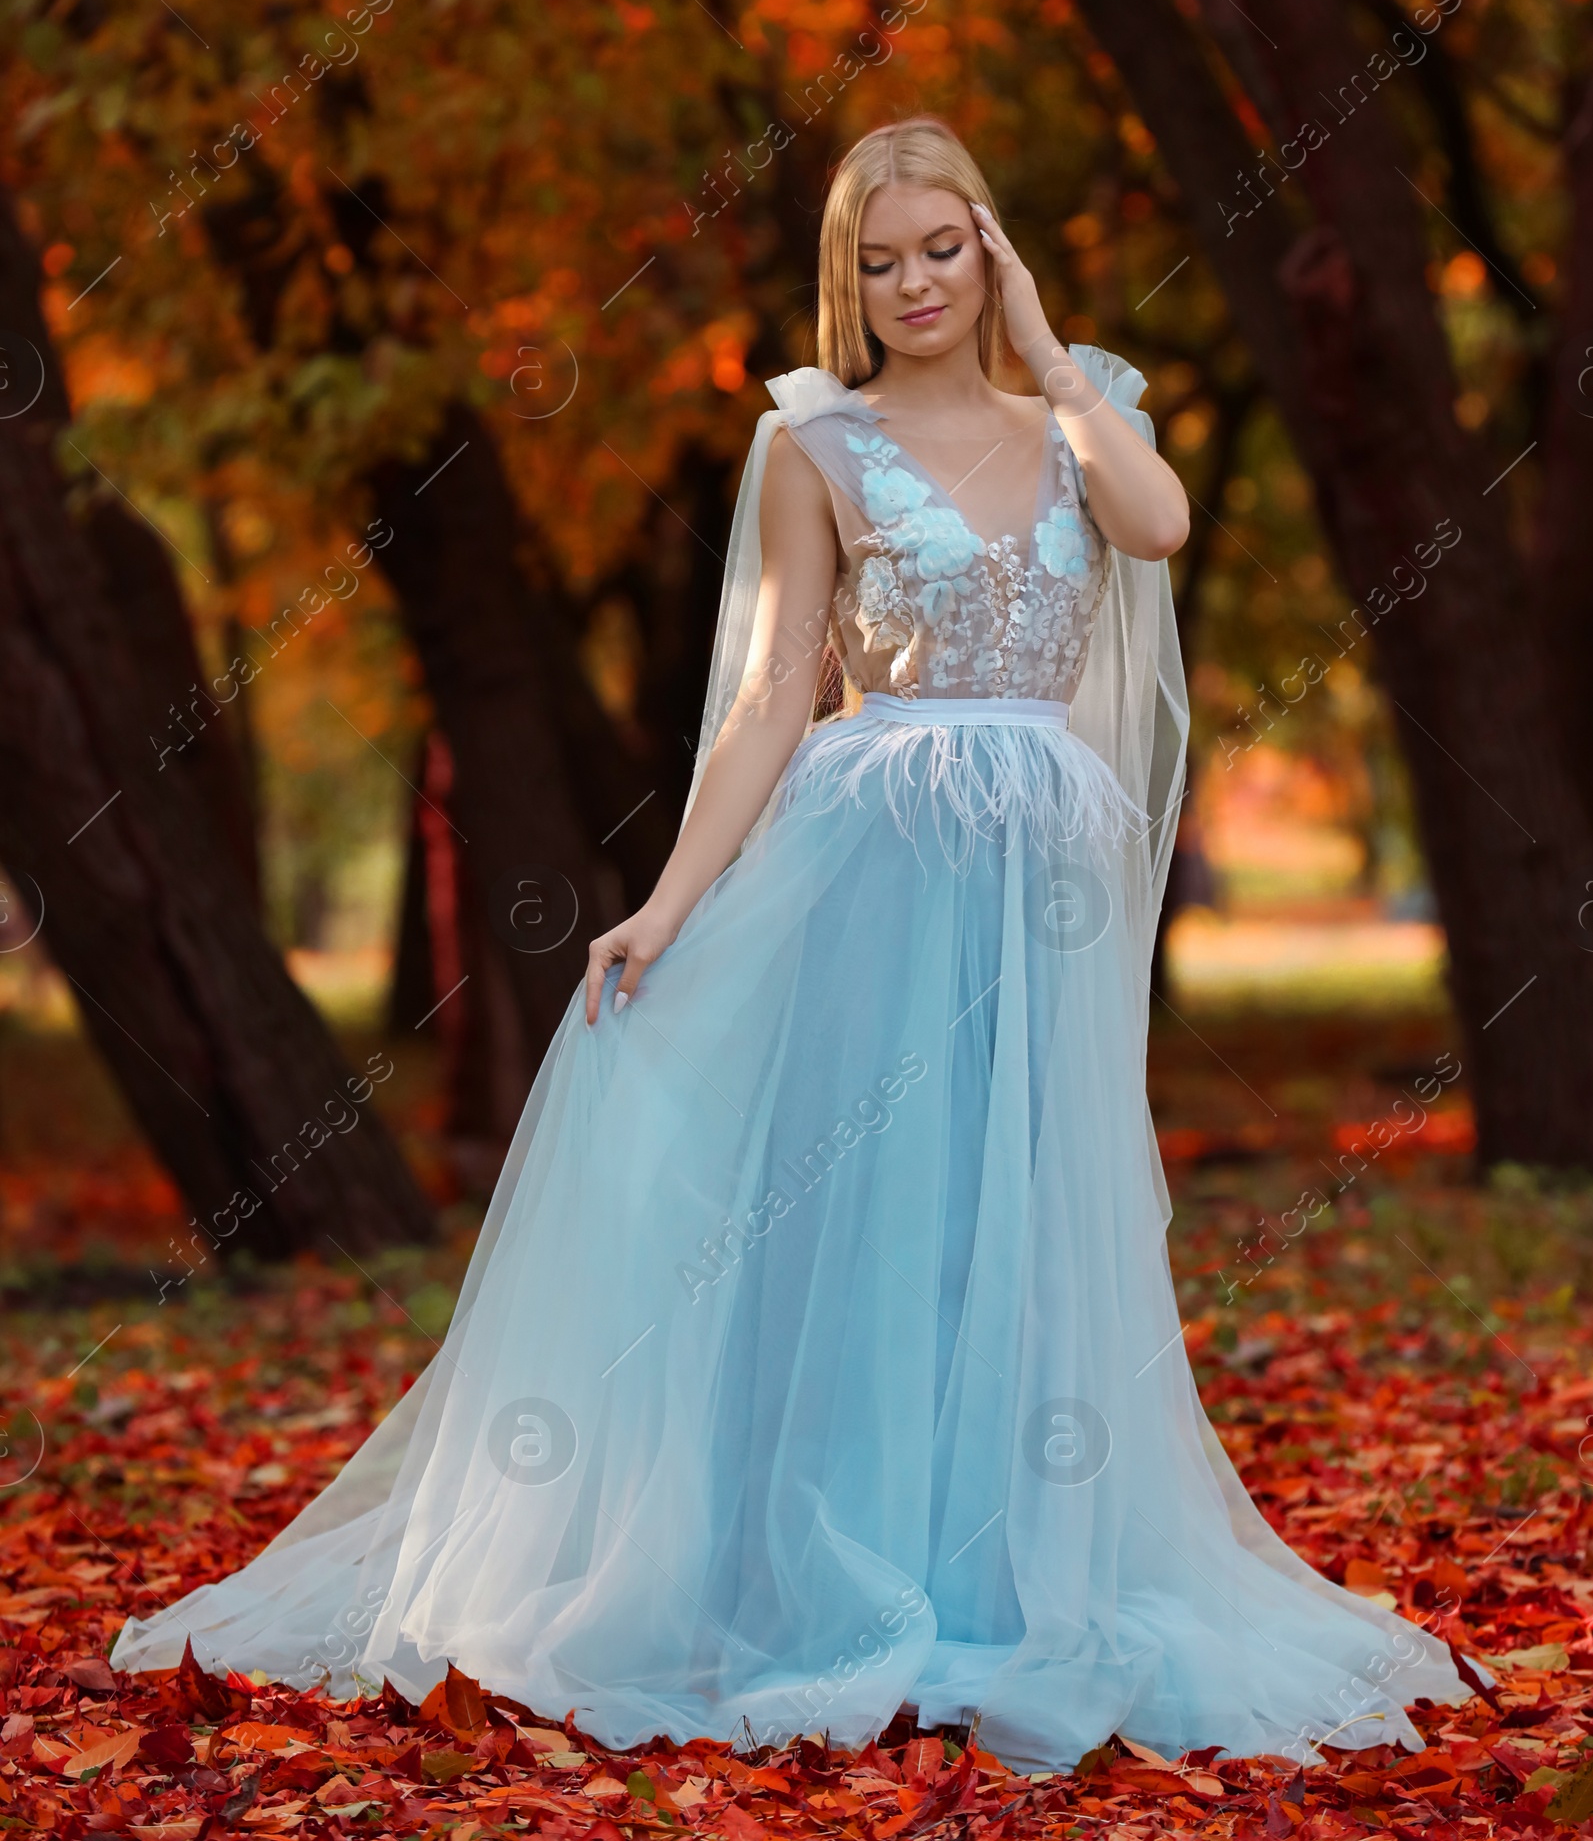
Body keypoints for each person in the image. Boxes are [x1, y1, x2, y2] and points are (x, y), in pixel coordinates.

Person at [112, 119, 1466, 1768]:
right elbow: (769, 696)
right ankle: (833, 1577)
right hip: (875, 867)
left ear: (988, 247)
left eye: (941, 251)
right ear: (850, 277)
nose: (911, 286)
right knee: (872, 1217)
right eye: (878, 261)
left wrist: (1045, 345)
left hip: (1035, 890)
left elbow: (1163, 527)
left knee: (1014, 1219)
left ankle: (1004, 1572)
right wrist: (668, 903)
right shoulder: (811, 444)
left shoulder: (1079, 419)